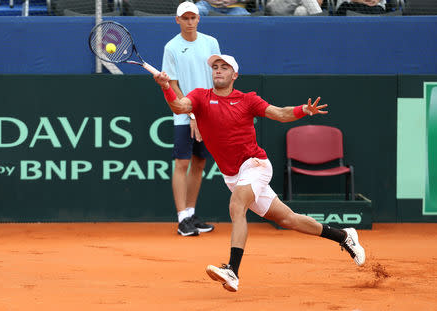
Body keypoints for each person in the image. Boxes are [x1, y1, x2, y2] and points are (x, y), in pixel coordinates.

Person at [154, 54, 366, 292]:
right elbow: (179, 106)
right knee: (288, 219)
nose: (218, 71)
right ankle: (344, 236)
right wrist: (166, 88)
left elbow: (280, 113)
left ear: (235, 75)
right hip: (233, 176)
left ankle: (232, 271)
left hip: (255, 164)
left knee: (237, 204)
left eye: (224, 67)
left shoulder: (247, 100)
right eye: (215, 67)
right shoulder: (200, 97)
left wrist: (303, 110)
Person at [162, 1, 221, 237]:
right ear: (177, 20)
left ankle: (191, 214)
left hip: (209, 113)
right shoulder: (171, 47)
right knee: (182, 164)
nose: (189, 22)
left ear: (198, 19)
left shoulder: (211, 43)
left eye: (192, 18)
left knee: (199, 163)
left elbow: (218, 76)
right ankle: (181, 219)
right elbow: (173, 84)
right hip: (184, 113)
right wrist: (190, 112)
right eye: (184, 18)